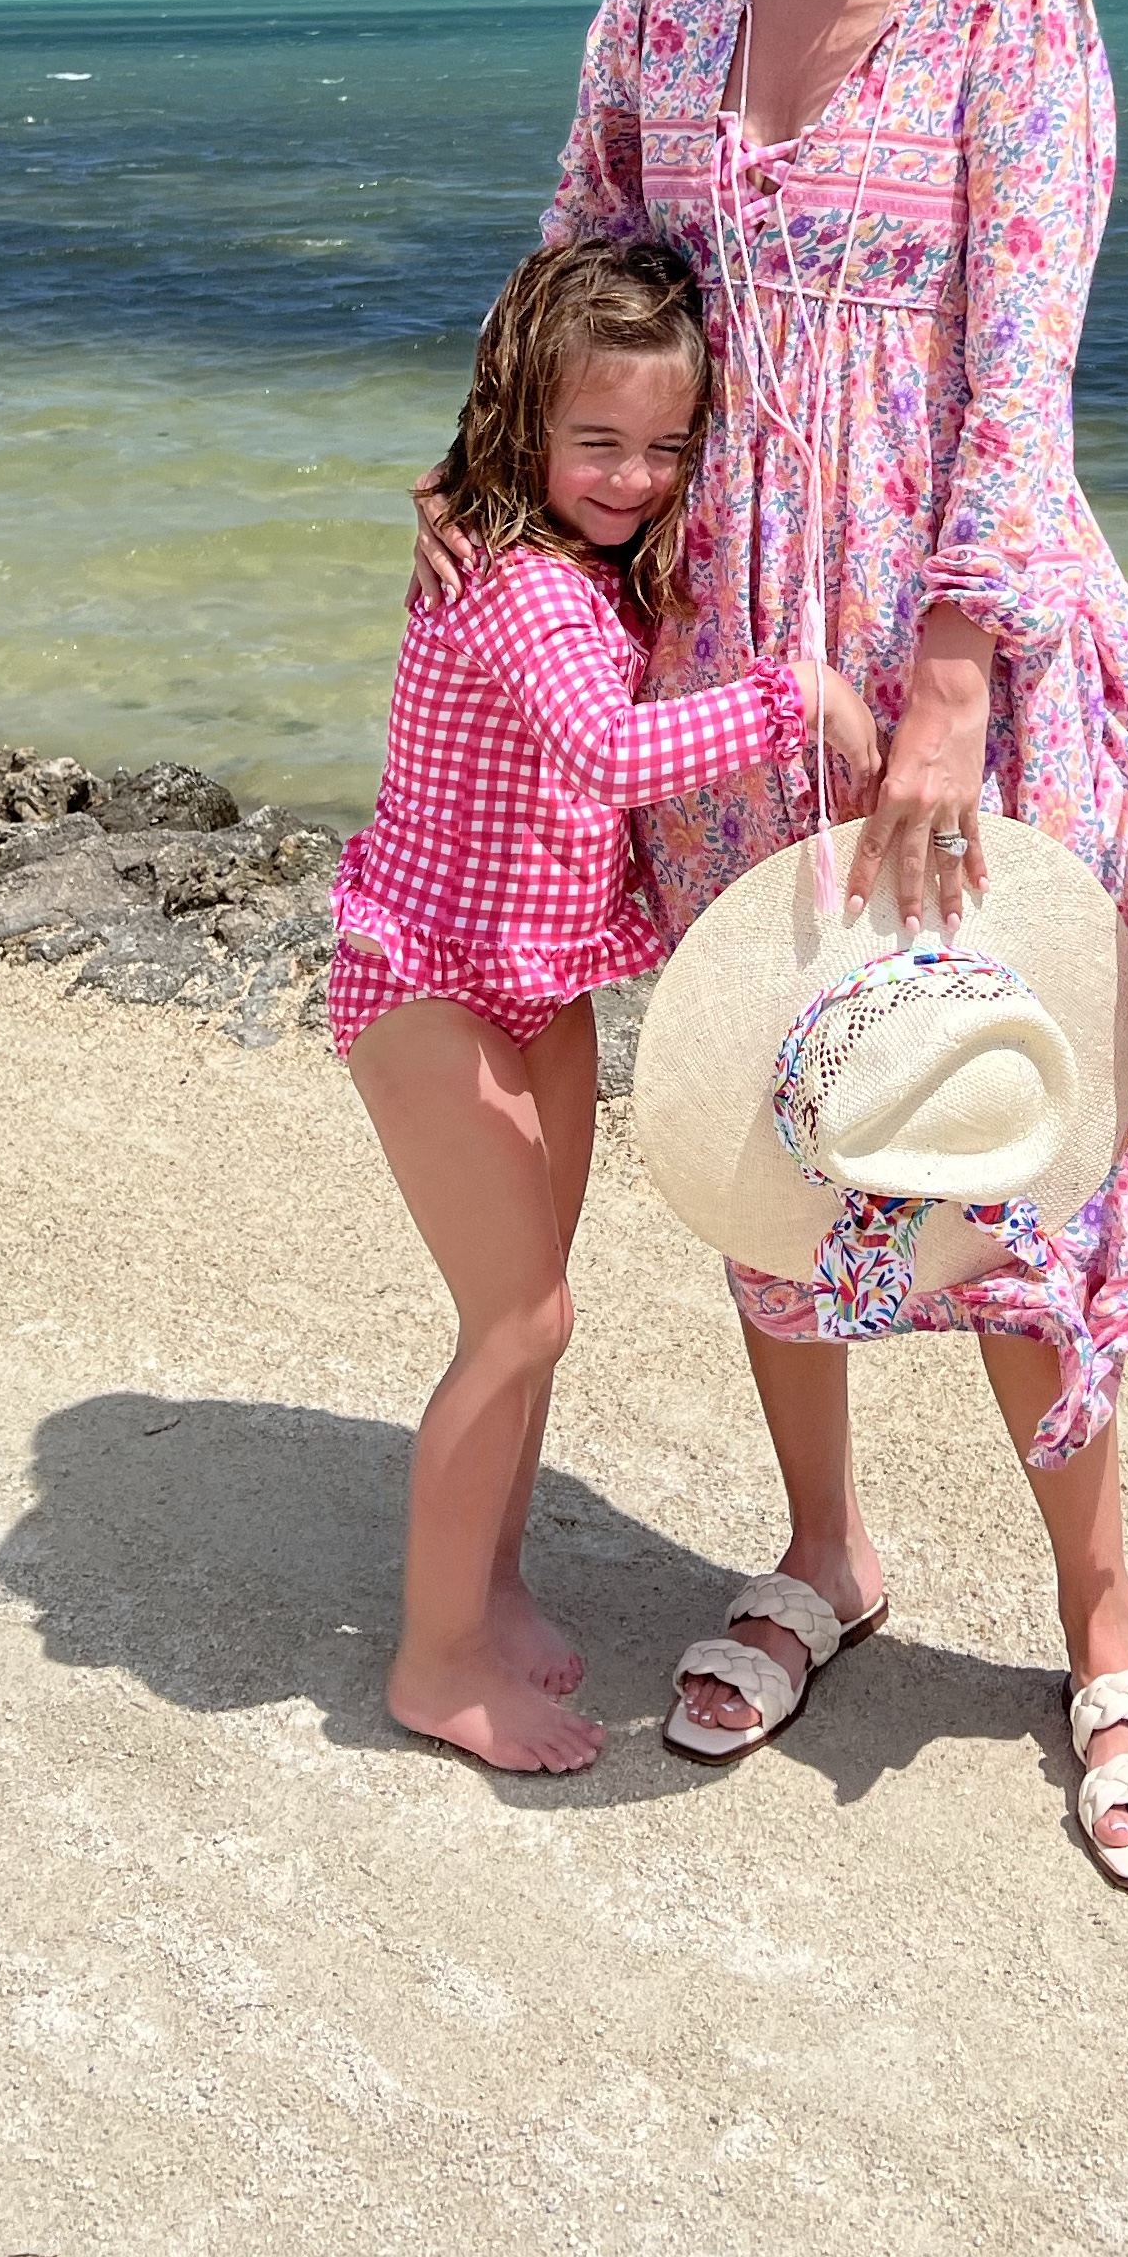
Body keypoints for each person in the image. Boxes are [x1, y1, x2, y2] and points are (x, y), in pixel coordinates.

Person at [422, 0, 1128, 1883]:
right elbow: (570, 280)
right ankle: (824, 1549)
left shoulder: (1015, 4)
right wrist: (492, 526)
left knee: (992, 1128)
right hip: (726, 656)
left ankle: (1107, 1611)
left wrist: (946, 689)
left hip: (949, 667)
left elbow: (1018, 389)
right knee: (776, 1109)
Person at [333, 234, 880, 1775]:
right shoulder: (516, 585)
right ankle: (434, 1661)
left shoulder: (580, 556)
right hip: (424, 977)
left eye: (665, 446)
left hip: (538, 972)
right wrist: (799, 697)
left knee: (532, 1315)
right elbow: (602, 753)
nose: (634, 478)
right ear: (523, 425)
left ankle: (488, 1588)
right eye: (598, 444)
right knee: (519, 1317)